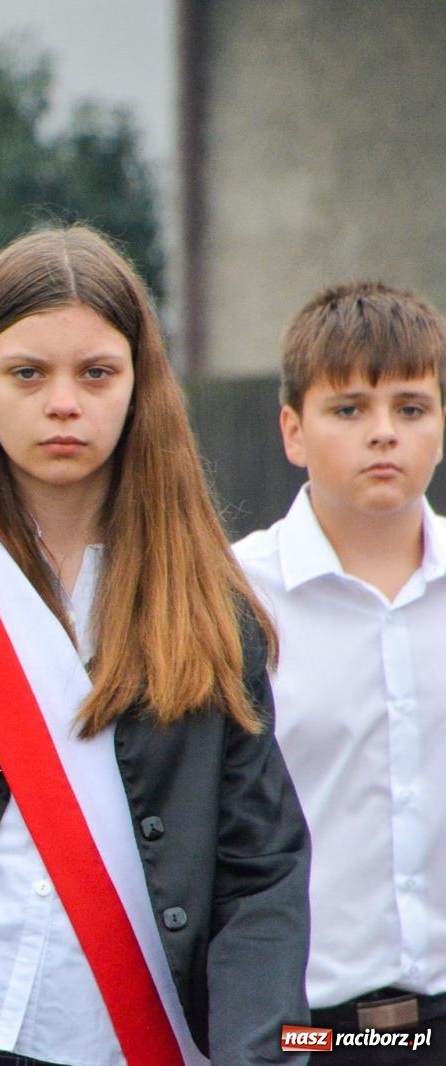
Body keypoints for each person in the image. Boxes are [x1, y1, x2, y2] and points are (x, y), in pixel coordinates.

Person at [0, 226, 312, 1064]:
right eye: (26, 373)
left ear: (137, 385)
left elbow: (260, 869)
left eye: (96, 373)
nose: (62, 402)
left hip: (142, 1036)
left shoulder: (205, 599)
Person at [234, 281, 446, 1062]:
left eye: (411, 408)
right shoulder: (236, 598)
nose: (383, 433)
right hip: (305, 1029)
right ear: (293, 430)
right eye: (349, 409)